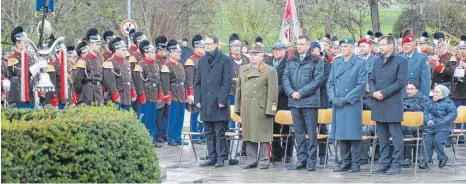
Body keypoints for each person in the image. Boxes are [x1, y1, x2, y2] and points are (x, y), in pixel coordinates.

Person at [283, 35, 324, 171]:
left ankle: (311, 161)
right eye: (297, 44)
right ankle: (301, 160)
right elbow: (285, 78)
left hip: (310, 102)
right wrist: (291, 92)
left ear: (308, 45)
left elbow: (317, 81)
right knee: (298, 133)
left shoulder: (316, 60)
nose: (298, 46)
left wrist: (301, 92)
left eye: (301, 44)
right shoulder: (291, 60)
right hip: (294, 102)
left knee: (311, 133)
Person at [234, 43, 278, 169]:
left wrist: (271, 110)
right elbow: (239, 90)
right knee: (249, 134)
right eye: (251, 54)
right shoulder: (243, 69)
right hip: (247, 108)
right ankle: (251, 159)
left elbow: (273, 93)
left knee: (263, 135)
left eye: (255, 54)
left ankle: (264, 160)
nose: (252, 57)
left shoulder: (270, 70)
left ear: (262, 56)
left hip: (261, 108)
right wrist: (237, 107)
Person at [327, 38, 367, 173]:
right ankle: (345, 162)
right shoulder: (336, 62)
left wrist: (346, 99)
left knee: (353, 135)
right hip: (337, 102)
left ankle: (355, 163)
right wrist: (332, 98)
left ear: (352, 48)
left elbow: (361, 85)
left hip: (352, 103)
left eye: (345, 46)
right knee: (341, 134)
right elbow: (330, 83)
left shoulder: (360, 63)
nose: (342, 49)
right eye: (341, 46)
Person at [369, 35, 408, 175]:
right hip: (378, 103)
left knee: (396, 137)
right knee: (382, 136)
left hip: (392, 103)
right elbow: (371, 79)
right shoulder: (376, 60)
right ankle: (384, 162)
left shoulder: (401, 61)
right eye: (380, 45)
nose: (380, 47)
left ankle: (397, 163)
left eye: (383, 45)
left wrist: (383, 93)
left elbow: (400, 82)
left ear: (391, 46)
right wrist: (373, 92)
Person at [195, 34, 233, 168]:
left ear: (217, 44)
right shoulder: (202, 60)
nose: (207, 46)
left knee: (219, 132)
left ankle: (221, 157)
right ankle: (211, 156)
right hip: (205, 101)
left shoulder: (225, 60)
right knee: (208, 132)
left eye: (210, 44)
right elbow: (197, 82)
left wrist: (222, 99)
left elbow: (227, 82)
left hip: (218, 102)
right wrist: (197, 99)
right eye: (206, 44)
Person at [133, 40, 165, 148]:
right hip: (145, 95)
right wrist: (141, 95)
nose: (153, 54)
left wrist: (160, 93)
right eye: (151, 52)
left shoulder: (155, 65)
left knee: (152, 119)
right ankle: (143, 141)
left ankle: (151, 139)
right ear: (145, 53)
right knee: (144, 119)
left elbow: (158, 80)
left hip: (153, 95)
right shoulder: (140, 65)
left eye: (154, 52)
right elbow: (138, 82)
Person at [265, 41, 293, 163]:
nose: (276, 52)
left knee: (287, 128)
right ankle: (276, 153)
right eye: (274, 50)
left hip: (285, 99)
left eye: (278, 50)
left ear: (284, 51)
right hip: (271, 100)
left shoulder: (290, 61)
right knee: (273, 128)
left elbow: (290, 80)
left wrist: (275, 90)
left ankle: (288, 153)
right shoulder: (268, 62)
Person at [420, 85, 457, 169]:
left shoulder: (448, 103)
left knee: (437, 141)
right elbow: (425, 112)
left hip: (443, 127)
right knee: (427, 142)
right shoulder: (430, 102)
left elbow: (453, 114)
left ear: (443, 94)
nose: (434, 94)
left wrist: (443, 121)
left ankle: (442, 157)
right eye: (434, 92)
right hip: (431, 127)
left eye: (437, 92)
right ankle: (426, 160)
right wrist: (428, 120)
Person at [165, 39, 189, 146]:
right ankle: (170, 138)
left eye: (180, 52)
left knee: (180, 117)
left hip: (181, 93)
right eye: (177, 52)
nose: (179, 54)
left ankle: (177, 136)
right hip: (173, 92)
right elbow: (165, 82)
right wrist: (167, 96)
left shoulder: (180, 64)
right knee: (172, 117)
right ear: (171, 52)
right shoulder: (167, 65)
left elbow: (183, 80)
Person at [400, 79, 429, 168]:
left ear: (417, 89)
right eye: (408, 89)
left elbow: (423, 109)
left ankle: (410, 157)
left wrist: (408, 106)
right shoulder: (401, 97)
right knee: (404, 128)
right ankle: (406, 157)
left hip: (420, 125)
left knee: (408, 129)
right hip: (405, 124)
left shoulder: (423, 98)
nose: (409, 91)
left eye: (412, 89)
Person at [102, 37, 135, 111]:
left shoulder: (126, 61)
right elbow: (109, 82)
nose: (125, 52)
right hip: (117, 97)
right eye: (123, 50)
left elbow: (130, 78)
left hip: (127, 96)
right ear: (116, 50)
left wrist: (133, 90)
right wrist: (115, 95)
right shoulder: (109, 62)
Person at [74, 28, 104, 105]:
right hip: (87, 93)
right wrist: (79, 94)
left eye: (99, 44)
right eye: (96, 44)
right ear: (90, 44)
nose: (99, 46)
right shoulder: (83, 60)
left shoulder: (99, 59)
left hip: (98, 92)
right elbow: (77, 81)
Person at [185, 34, 206, 144]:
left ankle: (201, 133)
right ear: (196, 47)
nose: (204, 49)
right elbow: (189, 79)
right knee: (195, 114)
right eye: (202, 47)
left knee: (203, 114)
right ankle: (194, 135)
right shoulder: (190, 60)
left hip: (204, 91)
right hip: (196, 90)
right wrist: (190, 93)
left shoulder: (204, 59)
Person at [6, 26, 32, 108]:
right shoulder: (12, 57)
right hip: (17, 96)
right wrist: (36, 68)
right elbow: (21, 73)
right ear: (17, 43)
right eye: (24, 42)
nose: (27, 45)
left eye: (27, 42)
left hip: (29, 95)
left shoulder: (29, 56)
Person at [400, 29, 431, 97]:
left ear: (414, 46)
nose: (405, 46)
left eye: (408, 44)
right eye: (404, 44)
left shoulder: (422, 58)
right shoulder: (398, 57)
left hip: (414, 98)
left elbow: (426, 83)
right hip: (399, 97)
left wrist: (424, 101)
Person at [154, 35, 172, 143]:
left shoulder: (166, 61)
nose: (166, 52)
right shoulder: (156, 61)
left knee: (166, 113)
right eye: (165, 50)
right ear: (160, 50)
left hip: (167, 90)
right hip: (158, 91)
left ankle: (165, 133)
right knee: (159, 114)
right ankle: (158, 134)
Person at [450, 35, 466, 142]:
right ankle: (458, 135)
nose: (462, 51)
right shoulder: (454, 60)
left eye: (464, 48)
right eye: (460, 48)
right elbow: (451, 76)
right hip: (457, 93)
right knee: (458, 114)